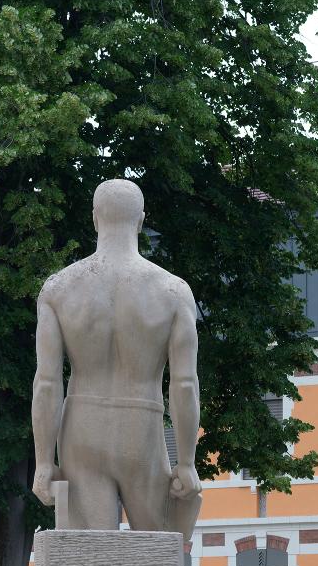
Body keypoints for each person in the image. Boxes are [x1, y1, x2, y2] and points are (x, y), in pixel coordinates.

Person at [31, 179, 202, 534]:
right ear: (140, 221)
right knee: (159, 556)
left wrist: (44, 460)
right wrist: (187, 461)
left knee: (90, 560)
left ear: (95, 219)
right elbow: (184, 384)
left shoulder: (59, 289)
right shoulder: (172, 291)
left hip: (81, 431)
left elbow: (47, 382)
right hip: (141, 430)